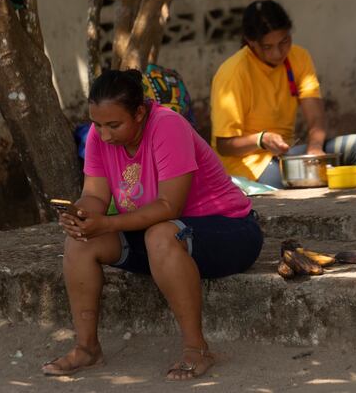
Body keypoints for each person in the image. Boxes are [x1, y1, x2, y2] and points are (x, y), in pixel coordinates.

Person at [42, 70, 262, 381]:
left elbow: (168, 207)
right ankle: (87, 348)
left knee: (161, 233)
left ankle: (196, 349)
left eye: (114, 125)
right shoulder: (99, 136)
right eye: (97, 124)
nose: (104, 135)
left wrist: (106, 222)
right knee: (80, 241)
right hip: (162, 237)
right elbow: (94, 194)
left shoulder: (167, 125)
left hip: (231, 231)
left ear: (140, 112)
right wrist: (82, 216)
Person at [210, 0, 356, 188]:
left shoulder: (299, 57)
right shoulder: (233, 73)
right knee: (319, 176)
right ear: (251, 43)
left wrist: (315, 147)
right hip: (248, 168)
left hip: (286, 157)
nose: (278, 53)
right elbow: (225, 146)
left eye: (284, 41)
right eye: (268, 47)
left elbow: (316, 116)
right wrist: (261, 139)